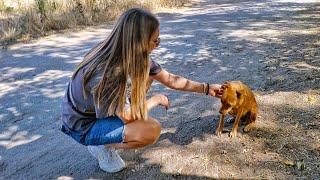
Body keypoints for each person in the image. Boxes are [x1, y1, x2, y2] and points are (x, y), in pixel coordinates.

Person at [60, 8, 224, 173]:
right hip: (83, 126)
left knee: (149, 75)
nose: (157, 45)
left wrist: (207, 88)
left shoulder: (129, 55)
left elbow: (171, 79)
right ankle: (102, 147)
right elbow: (126, 117)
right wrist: (156, 99)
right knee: (150, 130)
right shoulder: (109, 72)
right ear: (138, 42)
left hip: (97, 112)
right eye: (155, 41)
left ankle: (109, 134)